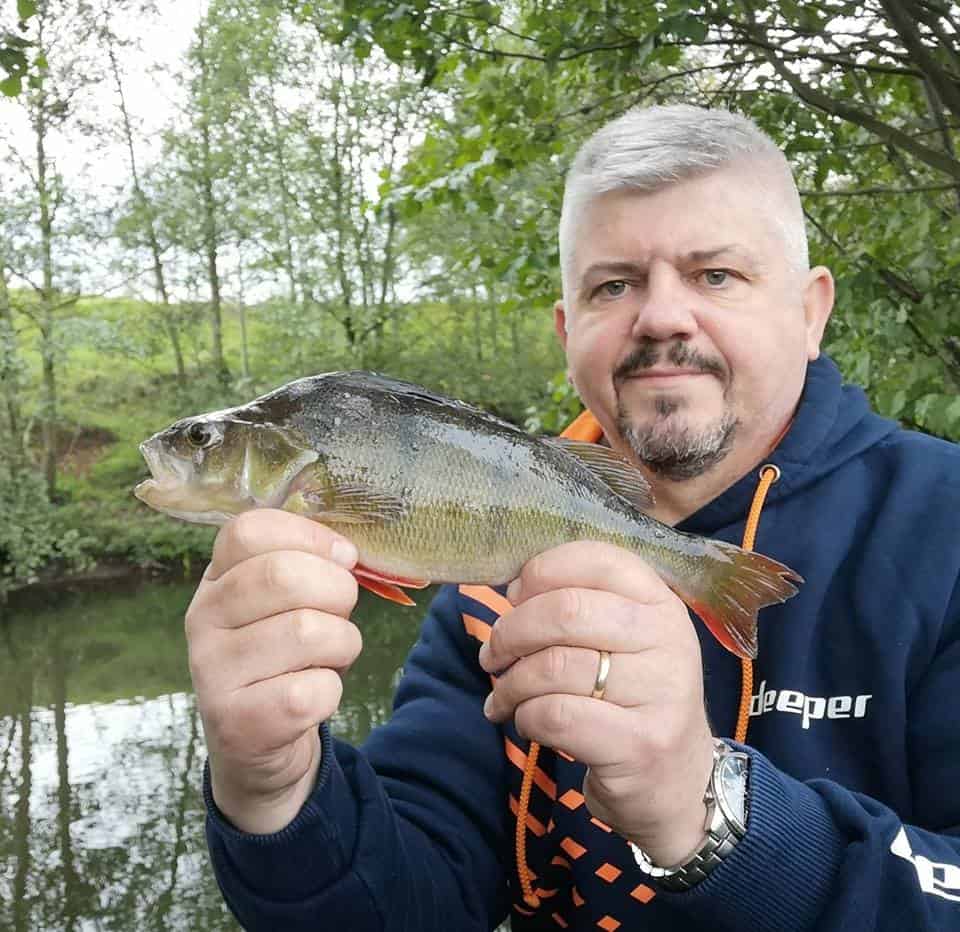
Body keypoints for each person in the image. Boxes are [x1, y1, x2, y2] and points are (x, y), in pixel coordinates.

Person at [185, 105, 960, 931]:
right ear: (568, 331)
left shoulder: (941, 526)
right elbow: (406, 905)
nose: (661, 317)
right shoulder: (493, 560)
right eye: (613, 284)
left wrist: (714, 818)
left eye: (715, 276)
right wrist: (273, 789)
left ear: (810, 313)